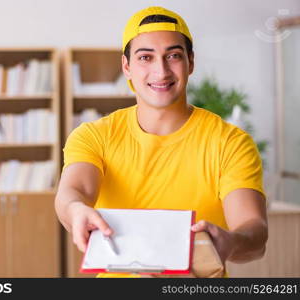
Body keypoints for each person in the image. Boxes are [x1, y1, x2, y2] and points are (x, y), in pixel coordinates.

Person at [55, 6, 268, 278]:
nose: (161, 70)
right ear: (127, 67)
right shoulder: (93, 136)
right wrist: (76, 210)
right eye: (146, 57)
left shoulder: (230, 142)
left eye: (174, 56)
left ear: (191, 62)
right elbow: (73, 191)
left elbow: (254, 229)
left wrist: (230, 242)